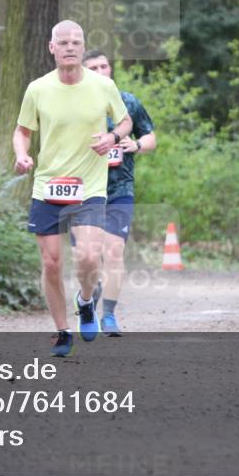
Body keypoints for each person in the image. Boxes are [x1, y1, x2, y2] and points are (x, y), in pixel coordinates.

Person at [13, 21, 131, 356]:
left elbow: (125, 122)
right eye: (63, 42)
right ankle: (62, 331)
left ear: (83, 47)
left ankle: (85, 301)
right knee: (51, 262)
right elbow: (22, 131)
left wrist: (112, 137)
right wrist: (22, 155)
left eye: (76, 42)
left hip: (89, 185)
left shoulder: (103, 86)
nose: (69, 47)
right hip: (48, 185)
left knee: (89, 256)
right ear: (51, 47)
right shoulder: (38, 89)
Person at [82, 49, 156, 336]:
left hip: (119, 188)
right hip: (85, 189)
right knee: (90, 255)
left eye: (104, 66)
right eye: (94, 68)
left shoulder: (127, 102)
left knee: (113, 251)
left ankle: (109, 315)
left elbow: (150, 136)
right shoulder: (74, 105)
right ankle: (89, 296)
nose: (101, 72)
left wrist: (136, 145)